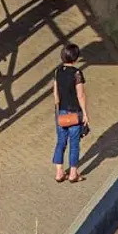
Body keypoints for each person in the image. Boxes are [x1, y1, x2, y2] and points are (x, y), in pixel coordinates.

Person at [51, 44, 89, 183]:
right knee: (74, 144)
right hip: (74, 113)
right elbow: (81, 95)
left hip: (61, 112)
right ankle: (73, 174)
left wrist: (58, 109)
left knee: (60, 142)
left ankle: (59, 172)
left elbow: (55, 95)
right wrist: (85, 113)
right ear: (75, 57)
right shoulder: (77, 73)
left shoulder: (57, 71)